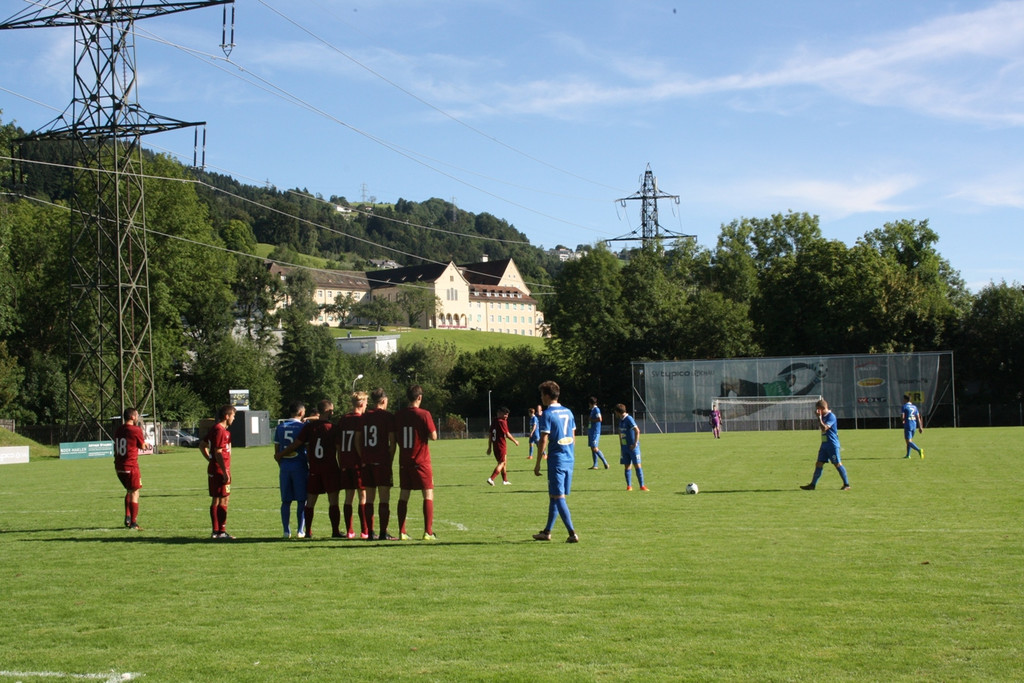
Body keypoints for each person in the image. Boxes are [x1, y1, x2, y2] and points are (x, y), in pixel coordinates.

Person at [277, 399, 342, 538]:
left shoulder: (309, 427)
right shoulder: (333, 428)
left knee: (310, 501)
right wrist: (341, 467)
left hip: (314, 468)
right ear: (328, 411)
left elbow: (296, 444)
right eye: (332, 410)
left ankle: (308, 531)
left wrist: (280, 454)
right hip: (330, 468)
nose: (333, 412)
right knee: (333, 501)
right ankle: (335, 531)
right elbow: (339, 449)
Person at [532, 381, 579, 543]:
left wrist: (538, 462)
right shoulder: (568, 412)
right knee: (554, 496)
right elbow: (573, 437)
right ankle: (547, 532)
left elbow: (543, 439)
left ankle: (572, 533)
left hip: (556, 461)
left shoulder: (547, 414)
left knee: (559, 498)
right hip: (569, 459)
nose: (541, 398)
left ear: (546, 395)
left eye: (541, 395)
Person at [395, 384, 438, 540]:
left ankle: (402, 531)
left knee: (404, 494)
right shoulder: (424, 414)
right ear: (419, 397)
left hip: (404, 460)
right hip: (421, 460)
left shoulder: (398, 415)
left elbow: (395, 437)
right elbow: (434, 436)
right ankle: (428, 532)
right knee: (427, 493)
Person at [361, 387, 398, 540]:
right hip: (382, 461)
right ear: (383, 400)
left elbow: (358, 439)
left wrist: (362, 455)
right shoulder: (387, 416)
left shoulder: (364, 416)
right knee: (384, 498)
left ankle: (370, 532)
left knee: (369, 498)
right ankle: (383, 533)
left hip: (367, 461)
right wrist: (389, 459)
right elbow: (392, 441)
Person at [200, 404, 236, 539]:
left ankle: (216, 531)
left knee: (217, 499)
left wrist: (210, 460)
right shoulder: (220, 431)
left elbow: (202, 445)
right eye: (233, 415)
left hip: (215, 468)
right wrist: (224, 470)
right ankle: (221, 531)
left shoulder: (215, 429)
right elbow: (218, 452)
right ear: (227, 416)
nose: (234, 418)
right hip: (220, 470)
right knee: (223, 499)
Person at [335, 391, 368, 538]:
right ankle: (365, 531)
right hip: (357, 463)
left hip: (344, 462)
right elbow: (360, 442)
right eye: (366, 403)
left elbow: (337, 443)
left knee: (348, 496)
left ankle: (349, 530)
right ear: (361, 404)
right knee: (363, 495)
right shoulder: (361, 419)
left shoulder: (343, 419)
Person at [274, 400, 308, 539]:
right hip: (299, 465)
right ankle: (300, 530)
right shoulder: (302, 427)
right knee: (301, 500)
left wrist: (281, 462)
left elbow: (276, 449)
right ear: (301, 412)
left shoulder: (280, 427)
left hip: (285, 467)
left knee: (286, 501)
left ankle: (286, 531)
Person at [801, 398, 850, 491]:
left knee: (837, 464)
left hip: (832, 444)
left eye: (818, 409)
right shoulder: (823, 416)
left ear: (822, 408)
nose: (816, 411)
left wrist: (819, 418)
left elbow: (824, 428)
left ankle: (846, 484)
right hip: (824, 444)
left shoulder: (831, 416)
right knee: (819, 463)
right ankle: (812, 485)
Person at [113, 407, 150, 530]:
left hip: (118, 466)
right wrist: (146, 445)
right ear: (133, 417)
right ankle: (133, 523)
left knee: (129, 490)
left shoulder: (118, 430)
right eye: (137, 415)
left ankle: (127, 516)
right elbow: (142, 445)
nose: (138, 417)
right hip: (131, 465)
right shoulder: (135, 430)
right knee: (135, 492)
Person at [614, 404, 647, 491]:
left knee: (637, 465)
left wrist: (635, 443)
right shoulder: (621, 420)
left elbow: (637, 430)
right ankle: (629, 486)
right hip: (625, 448)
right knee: (627, 466)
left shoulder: (629, 419)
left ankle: (642, 486)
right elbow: (620, 432)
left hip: (633, 448)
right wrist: (621, 443)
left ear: (618, 412)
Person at [486, 406, 519, 486]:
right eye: (505, 414)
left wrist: (489, 447)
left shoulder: (494, 421)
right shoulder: (502, 422)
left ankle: (505, 480)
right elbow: (507, 434)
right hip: (501, 445)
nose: (506, 416)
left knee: (504, 463)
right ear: (500, 413)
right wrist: (515, 441)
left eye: (507, 415)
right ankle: (491, 478)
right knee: (501, 463)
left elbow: (490, 435)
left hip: (495, 446)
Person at [587, 396, 609, 469]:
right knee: (592, 448)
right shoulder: (593, 410)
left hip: (595, 432)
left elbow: (600, 419)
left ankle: (605, 462)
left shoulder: (596, 410)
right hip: (591, 431)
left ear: (590, 403)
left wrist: (591, 420)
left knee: (595, 448)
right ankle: (595, 465)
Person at [901, 394, 925, 459]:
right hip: (914, 425)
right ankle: (908, 455)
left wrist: (903, 420)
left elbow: (902, 416)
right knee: (910, 440)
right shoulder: (914, 407)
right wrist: (920, 427)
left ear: (905, 399)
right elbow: (918, 417)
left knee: (908, 441)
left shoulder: (904, 406)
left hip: (908, 425)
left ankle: (919, 450)